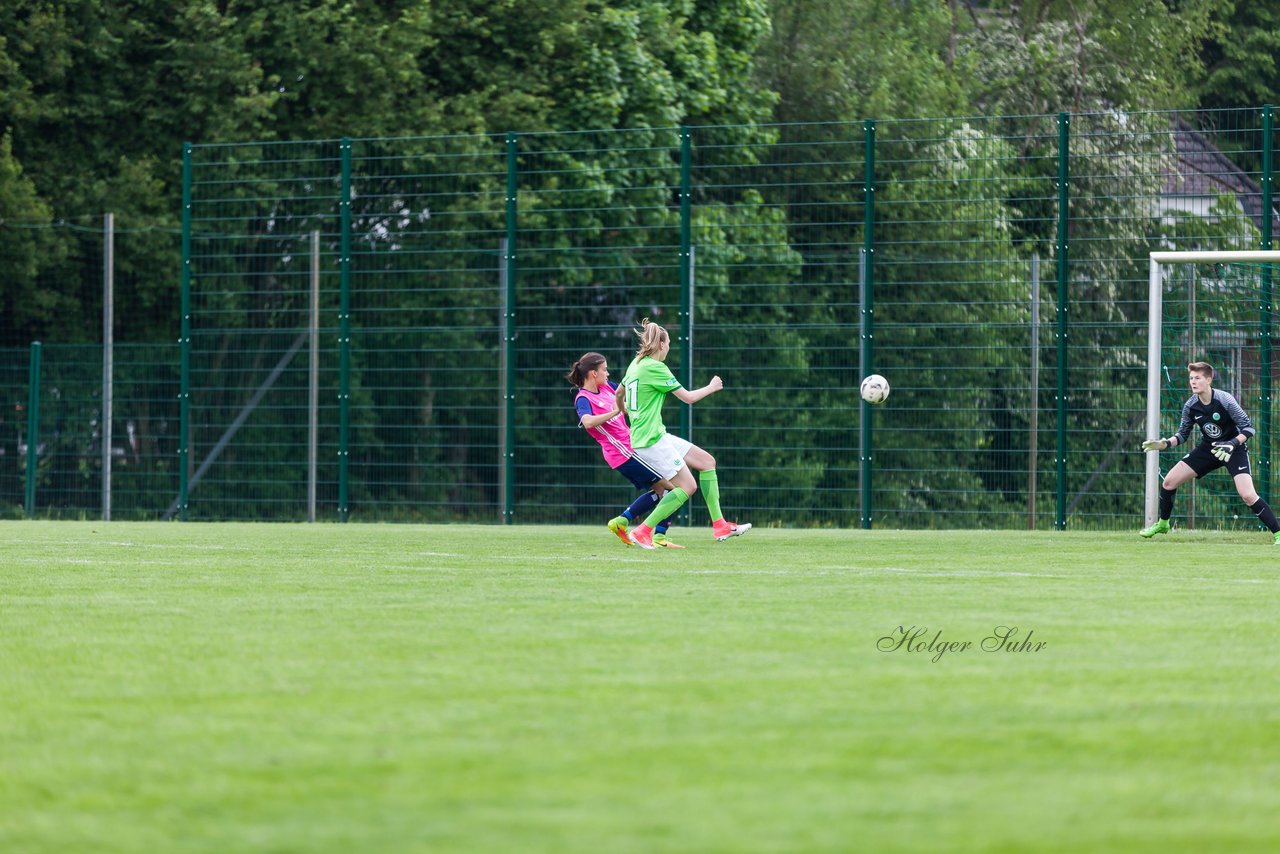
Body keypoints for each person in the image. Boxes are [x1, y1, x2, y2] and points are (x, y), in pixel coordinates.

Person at [617, 318, 750, 549]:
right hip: (651, 441)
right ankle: (643, 530)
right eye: (668, 343)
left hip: (653, 435)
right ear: (661, 344)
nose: (669, 347)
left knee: (707, 462)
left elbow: (619, 393)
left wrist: (626, 410)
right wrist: (712, 387)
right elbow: (688, 398)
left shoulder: (635, 364)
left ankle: (720, 525)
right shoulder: (656, 367)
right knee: (687, 487)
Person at [1140, 361, 1280, 544]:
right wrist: (1165, 443)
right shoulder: (1190, 406)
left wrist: (1231, 444)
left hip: (1233, 449)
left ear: (1208, 379)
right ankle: (1163, 524)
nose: (1193, 382)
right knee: (1169, 481)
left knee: (1247, 494)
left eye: (1197, 378)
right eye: (1191, 378)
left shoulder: (1225, 400)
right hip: (1208, 449)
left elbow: (1248, 428)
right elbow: (1182, 435)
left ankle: (1278, 533)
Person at [566, 352, 684, 548]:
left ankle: (623, 522)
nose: (608, 373)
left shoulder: (607, 388)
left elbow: (627, 406)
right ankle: (655, 534)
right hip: (622, 453)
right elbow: (587, 423)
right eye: (604, 369)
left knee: (663, 491)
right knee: (674, 489)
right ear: (593, 373)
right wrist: (614, 411)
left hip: (633, 446)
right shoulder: (583, 398)